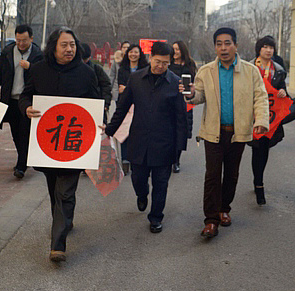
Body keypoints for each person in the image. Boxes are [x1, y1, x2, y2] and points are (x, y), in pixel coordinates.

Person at [20, 27, 101, 262]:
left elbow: (96, 102)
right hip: (48, 144)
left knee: (65, 191)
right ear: (53, 46)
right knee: (55, 189)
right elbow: (26, 95)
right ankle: (65, 220)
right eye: (64, 45)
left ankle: (58, 245)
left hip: (75, 145)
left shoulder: (86, 73)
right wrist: (26, 107)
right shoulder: (38, 70)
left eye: (73, 44)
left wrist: (100, 121)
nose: (70, 49)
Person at [185, 27, 269, 238]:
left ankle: (224, 209)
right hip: (213, 132)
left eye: (227, 43)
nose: (223, 48)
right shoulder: (206, 71)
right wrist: (192, 94)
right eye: (219, 44)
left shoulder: (250, 71)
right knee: (212, 175)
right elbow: (198, 97)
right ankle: (211, 220)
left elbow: (260, 97)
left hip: (238, 132)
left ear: (236, 45)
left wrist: (261, 120)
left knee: (231, 174)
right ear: (215, 47)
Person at [105, 41, 187, 233]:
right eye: (158, 61)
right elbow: (122, 108)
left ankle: (156, 217)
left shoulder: (175, 82)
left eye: (166, 63)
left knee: (161, 183)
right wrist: (109, 130)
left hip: (164, 143)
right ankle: (142, 196)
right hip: (139, 140)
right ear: (151, 58)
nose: (161, 66)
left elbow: (181, 117)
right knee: (138, 179)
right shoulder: (136, 79)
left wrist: (179, 148)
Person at [0, 24, 44, 178]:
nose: (21, 44)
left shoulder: (38, 55)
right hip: (10, 100)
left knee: (25, 132)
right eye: (18, 40)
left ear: (31, 38)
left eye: (24, 40)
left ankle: (21, 165)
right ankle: (23, 158)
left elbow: (44, 76)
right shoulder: (7, 53)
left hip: (28, 101)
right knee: (15, 133)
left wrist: (30, 67)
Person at [247, 35, 287, 205]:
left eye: (271, 47)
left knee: (263, 149)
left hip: (270, 116)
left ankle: (258, 182)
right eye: (265, 47)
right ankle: (258, 183)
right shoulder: (249, 67)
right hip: (251, 115)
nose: (269, 50)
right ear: (259, 49)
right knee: (256, 148)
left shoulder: (278, 69)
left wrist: (283, 92)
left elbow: (282, 88)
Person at [116, 44, 149, 174]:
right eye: (131, 52)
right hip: (125, 104)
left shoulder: (145, 69)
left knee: (138, 132)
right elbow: (121, 88)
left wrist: (129, 89)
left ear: (140, 54)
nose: (133, 54)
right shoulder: (122, 69)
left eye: (135, 52)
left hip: (141, 105)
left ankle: (137, 158)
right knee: (124, 132)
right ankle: (125, 160)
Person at [169, 40, 197, 173]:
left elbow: (196, 81)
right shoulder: (168, 64)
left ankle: (176, 160)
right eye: (173, 49)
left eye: (178, 49)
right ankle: (169, 158)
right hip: (170, 101)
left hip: (186, 101)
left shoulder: (190, 64)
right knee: (169, 131)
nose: (175, 52)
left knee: (182, 131)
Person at [80, 42, 113, 122]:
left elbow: (106, 86)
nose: (83, 62)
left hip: (95, 106)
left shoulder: (97, 69)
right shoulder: (72, 70)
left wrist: (106, 103)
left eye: (85, 60)